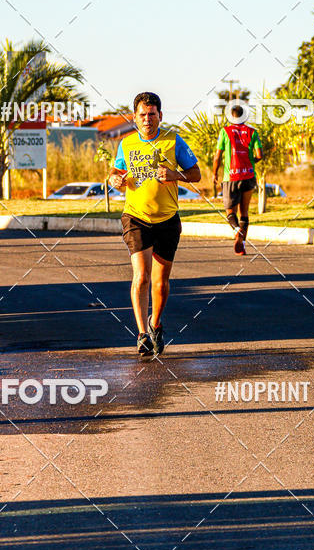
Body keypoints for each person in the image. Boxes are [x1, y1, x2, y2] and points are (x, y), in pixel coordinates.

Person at [109, 92, 201, 358]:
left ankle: (156, 324)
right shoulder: (126, 144)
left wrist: (176, 175)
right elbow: (116, 171)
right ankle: (141, 335)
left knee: (160, 282)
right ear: (134, 117)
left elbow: (196, 173)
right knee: (141, 276)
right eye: (142, 115)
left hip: (168, 219)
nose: (147, 119)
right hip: (136, 216)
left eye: (152, 114)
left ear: (160, 115)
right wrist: (114, 179)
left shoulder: (173, 141)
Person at [212, 104, 262, 255]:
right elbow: (259, 155)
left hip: (231, 176)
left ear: (231, 116)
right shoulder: (253, 132)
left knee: (230, 212)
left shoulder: (225, 132)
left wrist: (214, 173)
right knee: (244, 212)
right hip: (249, 175)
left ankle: (236, 230)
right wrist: (250, 162)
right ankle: (243, 245)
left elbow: (217, 156)